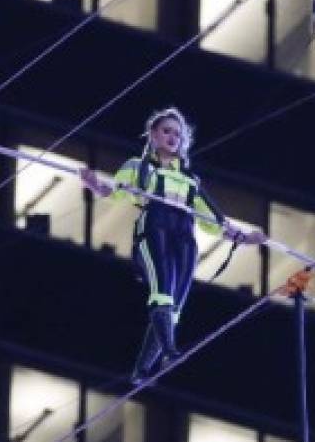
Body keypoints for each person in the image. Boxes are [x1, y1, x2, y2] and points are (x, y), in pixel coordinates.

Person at [81, 108, 265, 382]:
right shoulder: (138, 167)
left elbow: (215, 221)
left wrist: (245, 238)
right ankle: (169, 350)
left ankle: (142, 370)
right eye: (166, 131)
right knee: (162, 291)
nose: (172, 137)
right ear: (153, 135)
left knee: (174, 307)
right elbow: (114, 192)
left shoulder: (191, 180)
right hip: (155, 229)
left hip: (184, 239)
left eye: (177, 134)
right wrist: (95, 184)